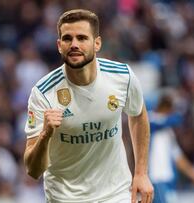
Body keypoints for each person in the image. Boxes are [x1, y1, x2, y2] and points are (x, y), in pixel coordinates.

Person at [23, 9, 153, 203]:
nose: (74, 44)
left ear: (97, 43)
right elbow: (33, 170)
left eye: (82, 38)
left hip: (115, 194)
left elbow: (138, 114)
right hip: (65, 197)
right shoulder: (43, 93)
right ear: (59, 46)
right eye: (67, 39)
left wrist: (141, 172)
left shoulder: (122, 77)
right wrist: (45, 134)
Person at [148, 93, 194, 203]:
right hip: (156, 177)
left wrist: (192, 173)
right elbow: (159, 122)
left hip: (169, 180)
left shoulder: (169, 132)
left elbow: (178, 157)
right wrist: (178, 117)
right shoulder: (149, 120)